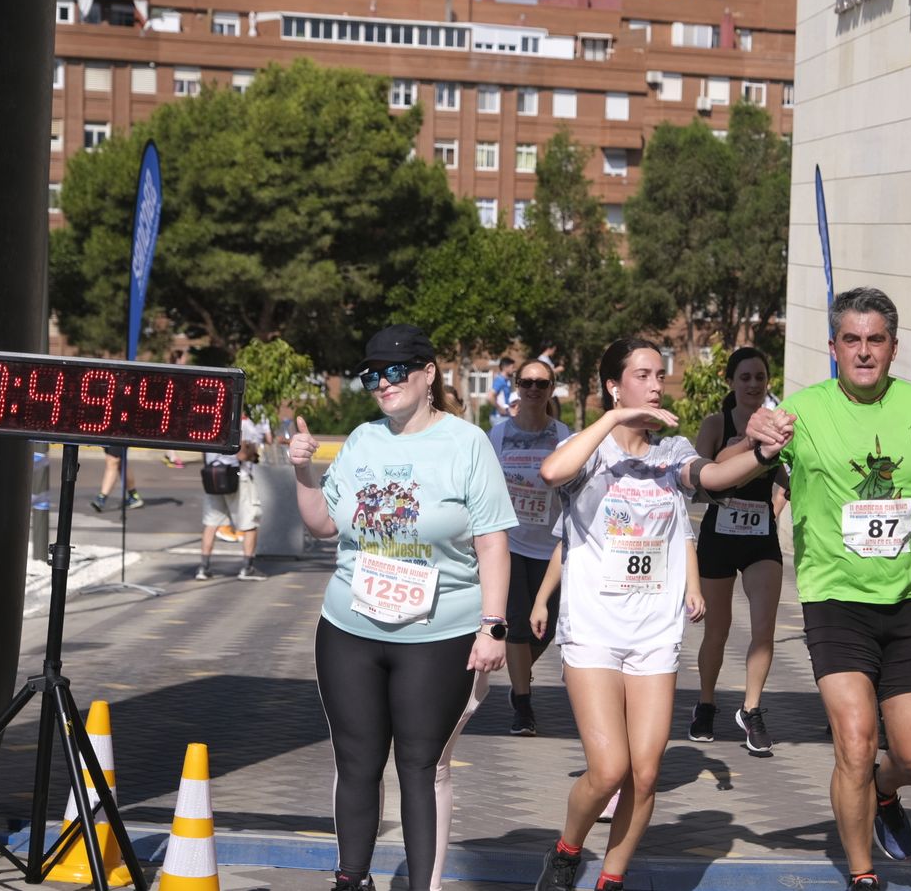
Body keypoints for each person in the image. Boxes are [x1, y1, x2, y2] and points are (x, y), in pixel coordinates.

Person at [746, 287, 911, 891]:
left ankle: (886, 792)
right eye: (850, 340)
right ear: (833, 348)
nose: (862, 351)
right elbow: (746, 457)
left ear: (893, 348)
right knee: (854, 743)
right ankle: (862, 875)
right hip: (835, 601)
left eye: (874, 339)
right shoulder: (800, 412)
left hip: (907, 599)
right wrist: (756, 435)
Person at [533, 338, 790, 891]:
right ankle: (565, 851)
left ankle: (612, 880)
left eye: (659, 374)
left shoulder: (671, 453)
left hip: (654, 635)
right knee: (607, 771)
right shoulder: (591, 451)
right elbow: (554, 472)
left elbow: (715, 477)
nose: (656, 384)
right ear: (614, 386)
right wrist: (614, 420)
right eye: (643, 375)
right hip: (594, 632)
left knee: (645, 775)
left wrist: (763, 455)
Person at [289, 324, 515, 891]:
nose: (382, 384)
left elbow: (492, 543)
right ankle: (351, 879)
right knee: (357, 761)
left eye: (394, 371)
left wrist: (493, 626)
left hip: (439, 636)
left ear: (428, 372)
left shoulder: (468, 443)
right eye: (372, 375)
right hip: (350, 627)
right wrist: (302, 470)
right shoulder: (364, 441)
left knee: (418, 767)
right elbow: (321, 525)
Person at [691, 347, 788, 752]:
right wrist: (749, 441)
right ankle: (706, 702)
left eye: (760, 377)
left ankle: (751, 710)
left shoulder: (779, 426)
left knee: (764, 629)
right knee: (718, 630)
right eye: (745, 377)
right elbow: (702, 473)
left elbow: (787, 474)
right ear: (731, 382)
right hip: (718, 536)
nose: (753, 384)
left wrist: (778, 503)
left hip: (760, 538)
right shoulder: (718, 423)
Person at [489, 359, 573, 736]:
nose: (534, 390)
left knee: (547, 627)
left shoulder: (565, 435)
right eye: (527, 383)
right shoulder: (498, 435)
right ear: (516, 386)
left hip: (552, 545)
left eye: (542, 384)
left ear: (552, 388)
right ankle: (523, 705)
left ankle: (521, 672)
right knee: (517, 625)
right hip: (509, 543)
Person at [196, 410, 267, 582]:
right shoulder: (244, 425)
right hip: (237, 478)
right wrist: (253, 454)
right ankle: (247, 567)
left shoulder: (211, 423)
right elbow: (242, 454)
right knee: (250, 521)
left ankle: (204, 568)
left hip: (213, 477)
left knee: (211, 523)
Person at [90, 446, 144, 512]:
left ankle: (102, 498)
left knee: (113, 460)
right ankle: (134, 496)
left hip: (120, 435)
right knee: (120, 461)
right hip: (110, 436)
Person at [490, 357, 517, 426]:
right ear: (505, 368)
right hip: (499, 418)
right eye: (512, 367)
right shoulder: (500, 380)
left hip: (505, 417)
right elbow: (490, 396)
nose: (514, 369)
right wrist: (500, 409)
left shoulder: (506, 380)